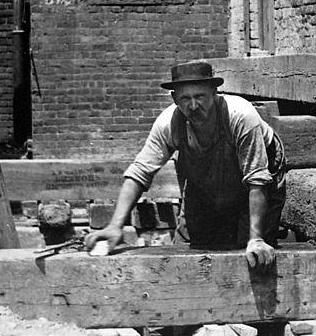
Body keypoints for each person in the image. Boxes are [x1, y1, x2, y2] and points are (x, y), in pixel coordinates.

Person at [84, 61, 286, 270]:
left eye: (200, 97)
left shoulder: (240, 115)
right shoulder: (168, 124)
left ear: (214, 92)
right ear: (174, 99)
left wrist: (256, 239)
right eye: (185, 99)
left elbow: (257, 178)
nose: (193, 106)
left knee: (252, 255)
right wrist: (115, 226)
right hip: (208, 179)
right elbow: (140, 172)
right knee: (196, 248)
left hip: (261, 176)